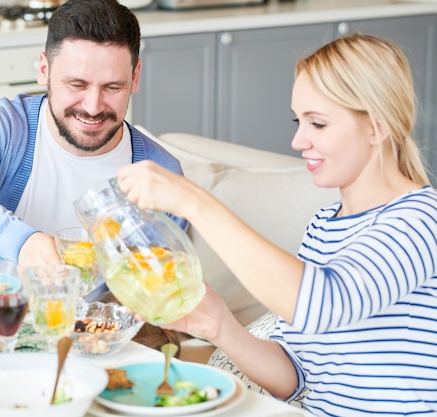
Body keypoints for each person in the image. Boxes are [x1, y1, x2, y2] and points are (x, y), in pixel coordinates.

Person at [116, 33, 437, 416]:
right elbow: (295, 378)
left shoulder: (419, 220)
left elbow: (325, 303)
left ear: (376, 128)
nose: (299, 140)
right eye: (298, 121)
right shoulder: (324, 226)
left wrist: (194, 201)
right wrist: (220, 325)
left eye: (317, 124)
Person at [0, 0, 186, 269]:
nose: (93, 107)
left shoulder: (163, 175)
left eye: (113, 88)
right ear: (44, 69)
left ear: (136, 76)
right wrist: (25, 244)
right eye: (77, 84)